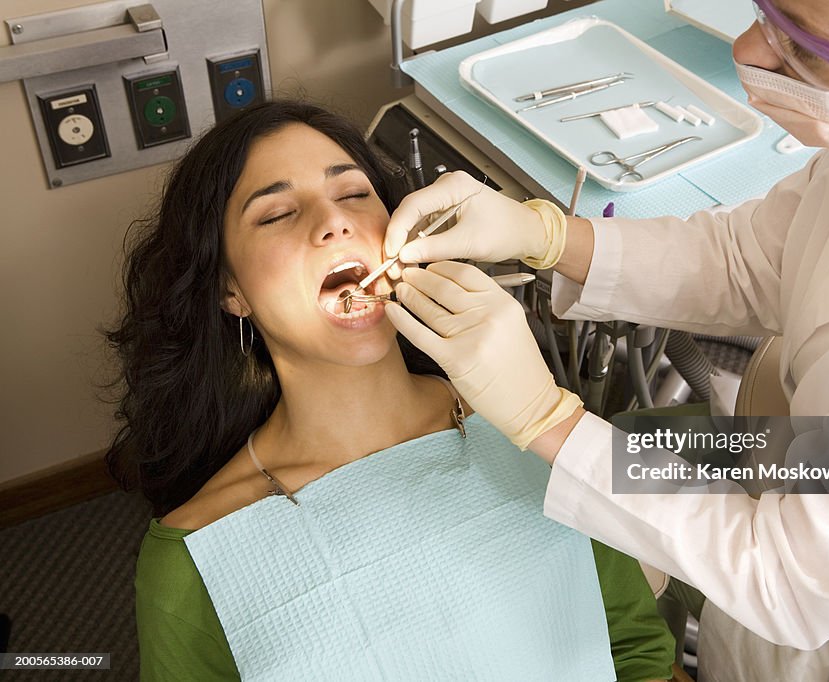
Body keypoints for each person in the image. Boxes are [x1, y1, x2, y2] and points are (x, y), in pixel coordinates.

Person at [380, 0, 829, 679]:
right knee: (639, 441)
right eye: (768, 13)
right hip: (805, 461)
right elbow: (754, 257)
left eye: (807, 48)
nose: (751, 52)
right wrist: (548, 236)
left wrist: (550, 422)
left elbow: (786, 575)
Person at [104, 101, 677, 681]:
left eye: (353, 194)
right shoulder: (195, 561)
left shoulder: (537, 425)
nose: (333, 221)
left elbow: (637, 650)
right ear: (231, 290)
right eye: (276, 213)